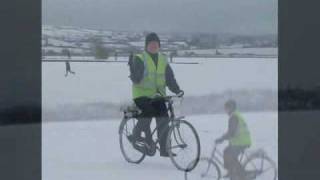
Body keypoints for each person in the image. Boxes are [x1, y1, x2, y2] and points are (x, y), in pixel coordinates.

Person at [128, 32, 184, 157]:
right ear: (146, 45)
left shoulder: (163, 60)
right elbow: (136, 77)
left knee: (164, 119)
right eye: (151, 44)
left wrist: (177, 90)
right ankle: (136, 135)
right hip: (141, 95)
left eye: (156, 44)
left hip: (157, 96)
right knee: (148, 113)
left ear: (159, 45)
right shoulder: (140, 58)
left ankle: (164, 149)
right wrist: (136, 72)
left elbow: (170, 78)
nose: (153, 46)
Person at [215, 99, 252, 179]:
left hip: (242, 142)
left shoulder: (234, 117)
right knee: (226, 151)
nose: (225, 110)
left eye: (226, 108)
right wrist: (223, 137)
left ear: (231, 108)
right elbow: (231, 132)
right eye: (225, 108)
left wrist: (221, 139)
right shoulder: (235, 115)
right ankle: (231, 171)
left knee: (231, 156)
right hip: (240, 141)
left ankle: (243, 174)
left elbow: (231, 132)